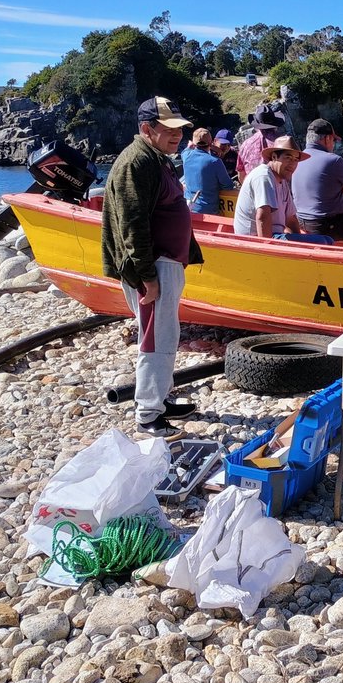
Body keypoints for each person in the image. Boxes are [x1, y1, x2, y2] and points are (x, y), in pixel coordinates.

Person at [100, 96, 204, 435]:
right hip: (154, 266)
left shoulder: (156, 158)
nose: (178, 135)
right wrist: (147, 276)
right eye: (169, 129)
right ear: (147, 129)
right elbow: (133, 225)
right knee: (155, 339)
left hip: (165, 262)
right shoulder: (138, 162)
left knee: (166, 335)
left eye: (180, 129)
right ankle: (149, 416)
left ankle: (160, 398)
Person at [292, 118, 343, 240]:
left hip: (302, 222)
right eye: (334, 140)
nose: (334, 144)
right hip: (327, 224)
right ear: (327, 138)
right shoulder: (333, 160)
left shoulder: (297, 159)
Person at [232, 136, 309, 237]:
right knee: (323, 241)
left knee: (325, 240)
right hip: (254, 239)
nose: (292, 164)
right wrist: (268, 248)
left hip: (275, 234)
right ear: (274, 157)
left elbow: (291, 219)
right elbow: (262, 217)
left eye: (296, 160)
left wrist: (301, 243)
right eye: (288, 158)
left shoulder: (282, 179)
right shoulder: (264, 177)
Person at [182, 128, 234, 215]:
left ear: (194, 144)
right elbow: (228, 186)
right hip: (208, 211)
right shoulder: (215, 161)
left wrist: (190, 145)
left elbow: (187, 149)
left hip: (187, 208)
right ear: (211, 143)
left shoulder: (185, 155)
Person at [235, 109, 284, 182]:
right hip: (278, 189)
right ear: (275, 124)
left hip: (254, 189)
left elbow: (241, 175)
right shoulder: (282, 142)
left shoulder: (245, 145)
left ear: (256, 125)